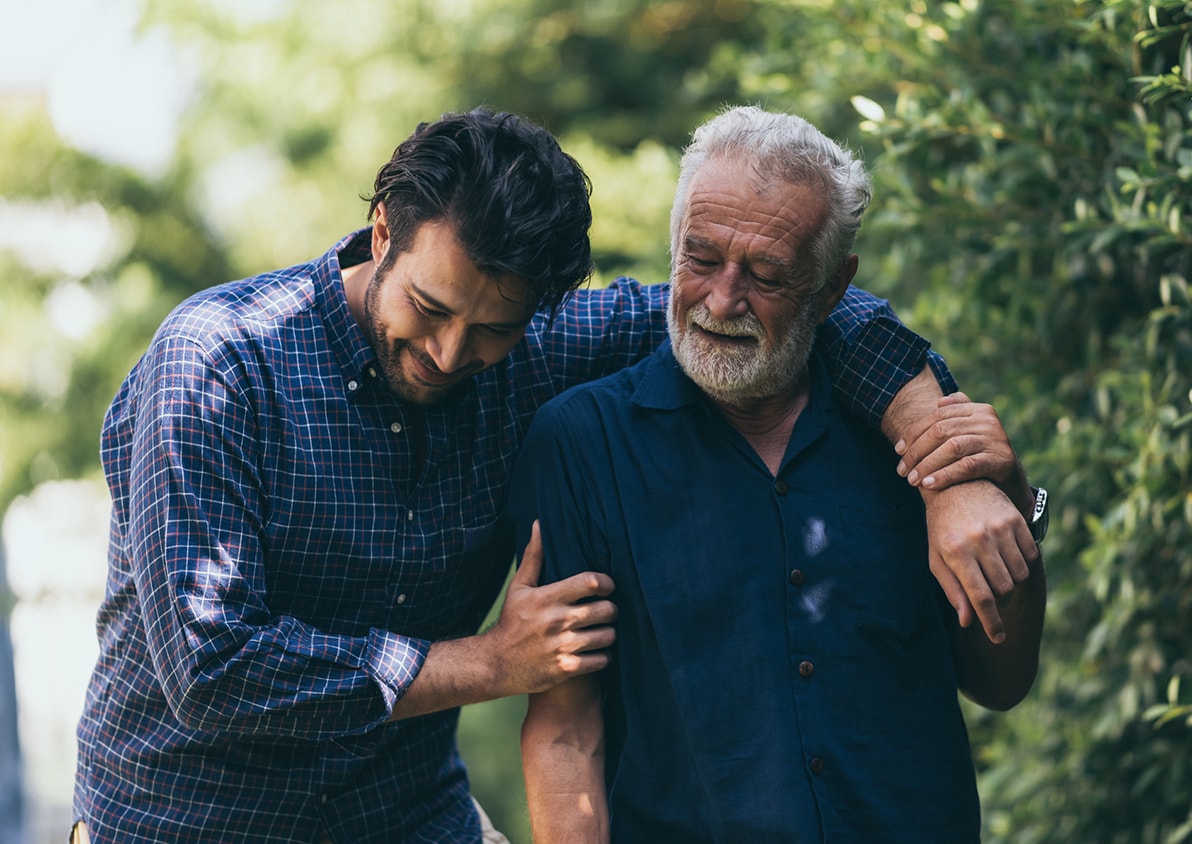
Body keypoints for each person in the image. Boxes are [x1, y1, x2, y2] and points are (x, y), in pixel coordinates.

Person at [71, 107, 1031, 842]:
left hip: (407, 821)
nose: (451, 353)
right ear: (381, 234)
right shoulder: (217, 364)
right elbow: (213, 667)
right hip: (181, 822)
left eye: (491, 328)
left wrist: (947, 465)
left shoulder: (540, 346)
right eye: (430, 306)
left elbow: (806, 310)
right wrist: (491, 662)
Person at [512, 106, 1049, 843]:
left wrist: (1008, 512)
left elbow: (1000, 683)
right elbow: (568, 729)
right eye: (700, 259)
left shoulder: (916, 436)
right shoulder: (581, 442)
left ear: (832, 289)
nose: (723, 300)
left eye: (766, 274)